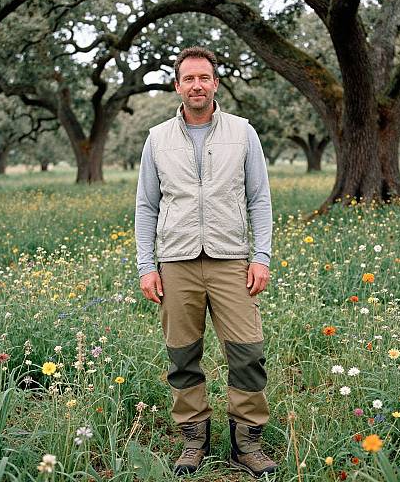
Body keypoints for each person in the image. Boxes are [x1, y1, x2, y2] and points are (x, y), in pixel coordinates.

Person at [135, 46, 277, 478]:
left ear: (215, 83)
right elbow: (146, 206)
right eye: (188, 78)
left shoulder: (242, 132)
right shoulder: (157, 138)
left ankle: (246, 443)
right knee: (182, 356)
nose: (197, 85)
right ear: (177, 86)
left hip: (232, 260)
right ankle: (193, 439)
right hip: (176, 263)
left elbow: (260, 199)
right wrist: (146, 265)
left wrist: (262, 256)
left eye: (204, 78)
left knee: (248, 352)